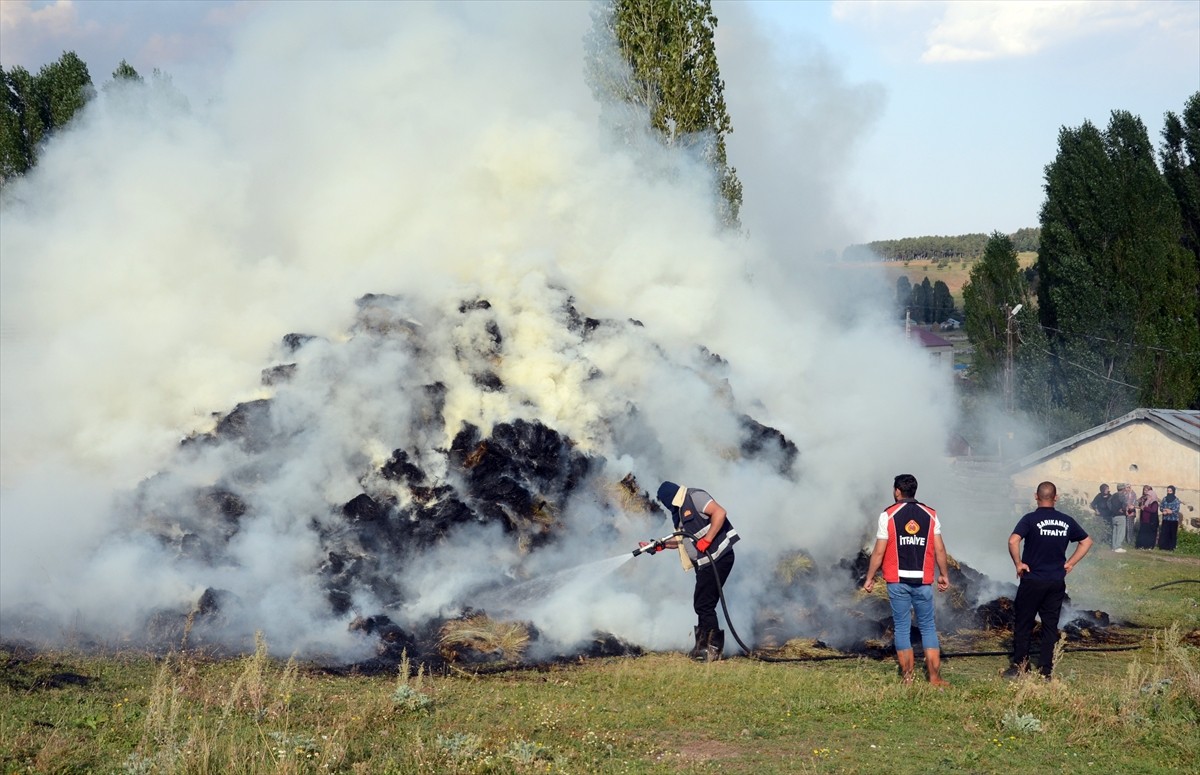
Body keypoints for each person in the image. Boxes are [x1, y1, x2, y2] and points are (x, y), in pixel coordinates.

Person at [863, 473, 951, 686]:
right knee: (928, 627)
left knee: (902, 627)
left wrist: (870, 577)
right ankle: (934, 678)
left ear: (897, 491)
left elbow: (878, 552)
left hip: (897, 581)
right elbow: (939, 548)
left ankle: (908, 679)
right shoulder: (930, 515)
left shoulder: (888, 515)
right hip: (923, 581)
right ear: (914, 491)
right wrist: (944, 575)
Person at [1005, 481, 1093, 679]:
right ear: (1056, 498)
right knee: (1050, 626)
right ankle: (1046, 671)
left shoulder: (1029, 519)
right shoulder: (1066, 521)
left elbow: (1013, 540)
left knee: (1024, 623)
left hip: (1032, 580)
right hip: (1055, 581)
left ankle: (1021, 667)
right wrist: (1070, 564)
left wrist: (1018, 564)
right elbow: (1086, 541)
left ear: (1036, 497)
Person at [650, 481, 739, 661]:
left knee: (704, 604)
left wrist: (708, 539)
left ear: (669, 497)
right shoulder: (680, 513)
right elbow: (685, 540)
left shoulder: (694, 497)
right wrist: (661, 545)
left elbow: (720, 513)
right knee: (702, 603)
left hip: (718, 557)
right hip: (704, 563)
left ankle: (713, 649)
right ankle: (701, 647)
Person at [1090, 483, 1124, 552]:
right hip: (1100, 515)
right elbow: (1093, 504)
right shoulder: (1099, 496)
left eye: (1108, 489)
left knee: (1110, 529)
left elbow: (1112, 504)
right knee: (1101, 529)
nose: (1107, 490)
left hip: (1109, 515)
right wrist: (1096, 510)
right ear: (1102, 490)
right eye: (1106, 489)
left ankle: (1108, 542)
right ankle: (1099, 541)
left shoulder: (1110, 496)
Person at [1158, 486, 1183, 551]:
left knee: (1172, 534)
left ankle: (1171, 547)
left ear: (1173, 492)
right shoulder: (1164, 499)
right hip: (1166, 519)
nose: (1169, 492)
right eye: (1168, 491)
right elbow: (1161, 507)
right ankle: (1163, 547)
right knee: (1164, 533)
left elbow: (1176, 509)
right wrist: (1164, 510)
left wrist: (1170, 511)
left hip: (1173, 520)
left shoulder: (1176, 500)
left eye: (1170, 491)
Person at [1135, 485, 1160, 549]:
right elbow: (1139, 504)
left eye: (1149, 495)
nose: (1148, 497)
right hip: (1144, 520)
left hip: (1151, 521)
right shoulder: (1146, 502)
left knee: (1149, 535)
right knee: (1143, 534)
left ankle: (1149, 546)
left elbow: (1153, 510)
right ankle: (1141, 545)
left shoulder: (1154, 502)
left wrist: (1145, 508)